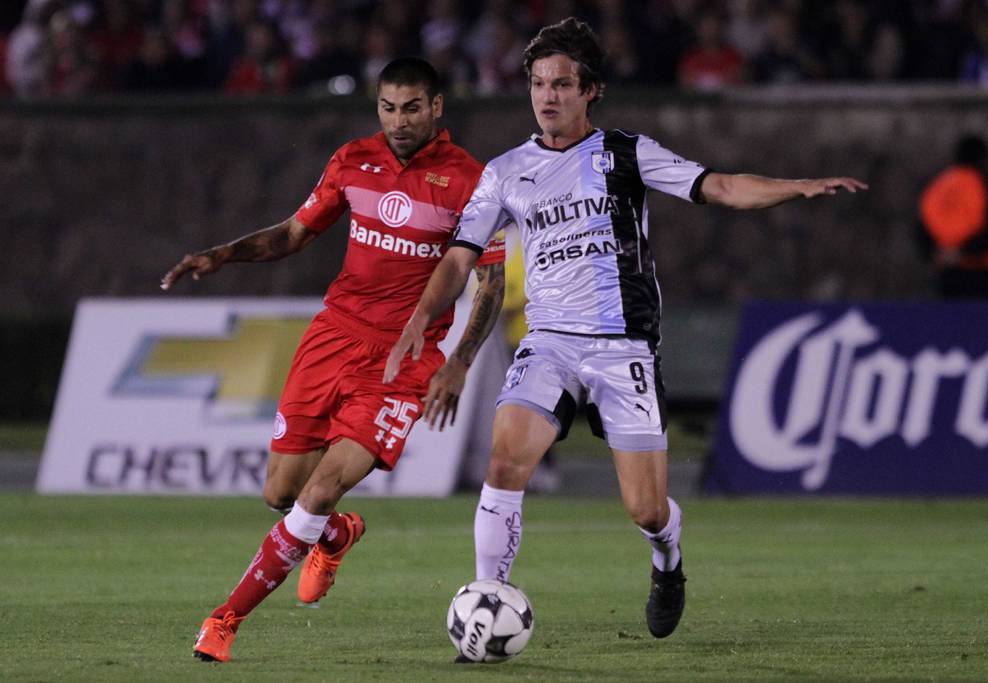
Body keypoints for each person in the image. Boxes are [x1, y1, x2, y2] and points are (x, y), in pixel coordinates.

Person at [385, 17, 867, 646]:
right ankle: (487, 598)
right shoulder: (504, 172)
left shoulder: (625, 154)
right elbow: (458, 259)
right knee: (505, 461)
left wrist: (796, 187)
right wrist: (422, 320)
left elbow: (720, 186)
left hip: (623, 345)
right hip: (549, 342)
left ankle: (668, 555)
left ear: (590, 91)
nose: (548, 96)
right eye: (538, 84)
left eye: (562, 84)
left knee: (646, 508)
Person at [161, 57, 505, 663]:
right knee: (281, 493)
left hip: (402, 360)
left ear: (436, 107)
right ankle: (338, 533)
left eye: (412, 108)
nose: (399, 121)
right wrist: (224, 254)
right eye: (388, 108)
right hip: (331, 339)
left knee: (319, 491)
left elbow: (491, 284)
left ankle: (224, 619)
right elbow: (294, 233)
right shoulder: (352, 160)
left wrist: (460, 361)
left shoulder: (471, 180)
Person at [916, 134, 988, 299]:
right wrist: (964, 252)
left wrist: (936, 253)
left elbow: (922, 225)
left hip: (947, 272)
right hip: (986, 272)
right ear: (983, 158)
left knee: (951, 314)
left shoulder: (936, 187)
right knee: (984, 315)